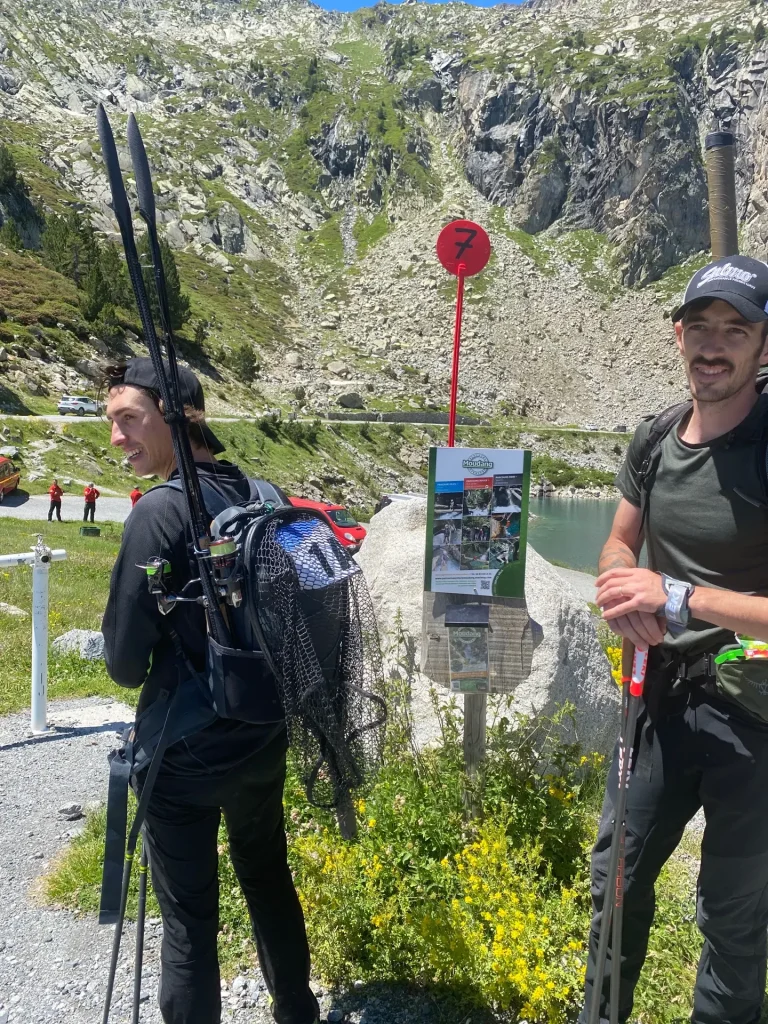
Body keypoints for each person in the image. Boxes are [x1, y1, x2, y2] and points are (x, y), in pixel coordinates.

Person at [101, 357, 319, 1024]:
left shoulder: (157, 514)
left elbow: (124, 666)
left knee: (190, 919)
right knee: (268, 875)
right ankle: (297, 1012)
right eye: (112, 421)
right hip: (263, 733)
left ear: (177, 416)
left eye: (129, 418)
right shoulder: (266, 494)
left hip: (184, 757)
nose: (116, 437)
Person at [581, 254, 768, 1024]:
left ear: (764, 345)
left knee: (732, 920)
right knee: (614, 885)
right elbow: (618, 545)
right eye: (700, 326)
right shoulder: (656, 438)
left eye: (736, 330)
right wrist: (621, 591)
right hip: (658, 701)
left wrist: (681, 597)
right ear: (677, 335)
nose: (713, 345)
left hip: (754, 721)